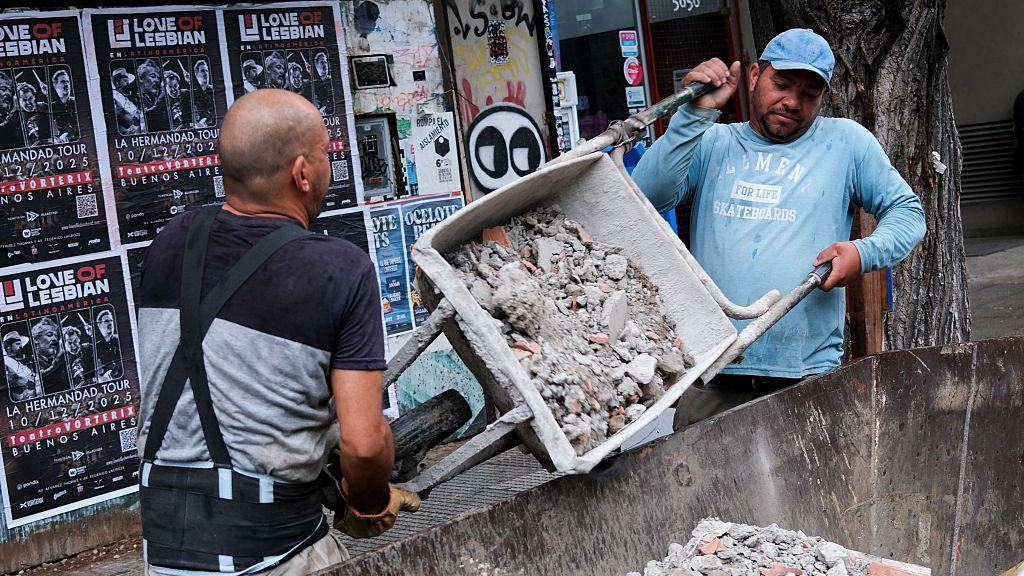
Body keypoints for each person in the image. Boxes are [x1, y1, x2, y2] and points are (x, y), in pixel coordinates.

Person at [136, 89, 418, 576]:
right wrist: (369, 504)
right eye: (326, 152)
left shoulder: (169, 243)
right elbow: (365, 444)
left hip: (166, 556)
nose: (330, 164)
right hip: (280, 555)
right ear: (302, 173)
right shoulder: (340, 270)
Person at [631, 29, 926, 429]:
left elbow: (908, 212)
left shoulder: (846, 144)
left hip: (806, 376)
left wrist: (861, 253)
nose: (792, 102)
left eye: (809, 94)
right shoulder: (713, 141)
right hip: (713, 373)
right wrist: (693, 114)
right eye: (782, 84)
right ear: (754, 77)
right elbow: (646, 196)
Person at [31, 316, 72, 394]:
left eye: (56, 336)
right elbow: (41, 378)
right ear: (36, 339)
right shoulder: (31, 362)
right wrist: (57, 362)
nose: (54, 339)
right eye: (49, 335)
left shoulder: (60, 357)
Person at [3, 330, 42, 401]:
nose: (21, 347)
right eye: (18, 344)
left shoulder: (15, 360)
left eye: (21, 344)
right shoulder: (7, 361)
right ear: (8, 346)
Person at [49, 68, 79, 142]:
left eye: (68, 82)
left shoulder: (78, 103)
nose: (66, 84)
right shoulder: (51, 107)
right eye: (62, 82)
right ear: (55, 86)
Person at [93, 309, 122, 382]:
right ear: (99, 325)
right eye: (106, 321)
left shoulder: (121, 340)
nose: (110, 323)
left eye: (111, 321)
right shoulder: (96, 348)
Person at [191, 58, 216, 127]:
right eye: (202, 71)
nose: (205, 73)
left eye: (206, 71)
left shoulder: (215, 90)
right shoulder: (192, 94)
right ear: (196, 74)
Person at [312, 51, 334, 115]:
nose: (325, 65)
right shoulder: (314, 83)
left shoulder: (332, 81)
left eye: (325, 62)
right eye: (322, 62)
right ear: (316, 65)